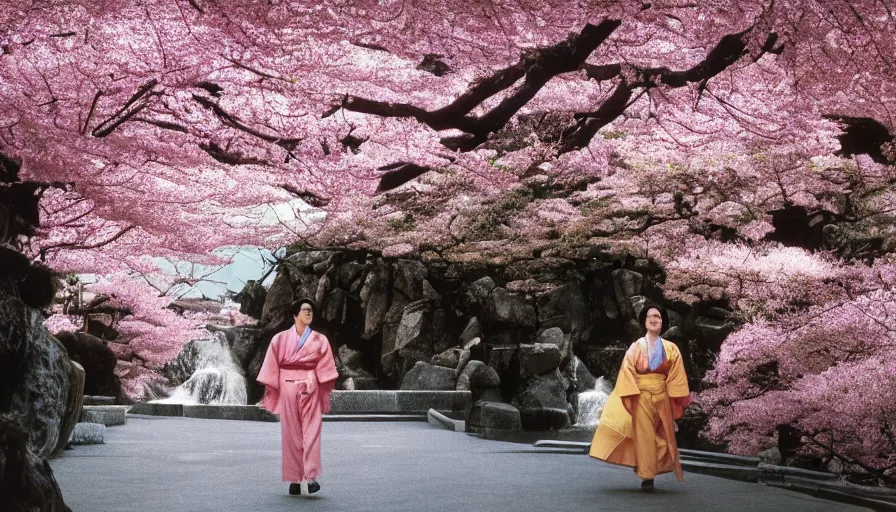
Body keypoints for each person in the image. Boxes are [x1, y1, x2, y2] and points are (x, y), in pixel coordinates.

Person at [589, 304, 690, 492]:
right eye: (650, 316)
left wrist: (673, 396)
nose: (654, 319)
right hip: (641, 395)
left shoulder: (671, 348)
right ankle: (647, 476)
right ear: (645, 321)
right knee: (644, 436)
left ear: (662, 322)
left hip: (662, 395)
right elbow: (627, 369)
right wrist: (632, 391)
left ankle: (649, 466)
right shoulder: (636, 347)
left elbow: (677, 375)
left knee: (663, 436)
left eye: (658, 317)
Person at [257, 298, 338, 496]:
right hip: (287, 386)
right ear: (295, 315)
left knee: (312, 431)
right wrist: (273, 389)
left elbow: (326, 366)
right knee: (291, 434)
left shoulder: (320, 340)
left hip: (310, 385)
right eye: (304, 310)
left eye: (311, 310)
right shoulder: (279, 339)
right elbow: (271, 366)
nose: (309, 313)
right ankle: (294, 479)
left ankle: (310, 478)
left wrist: (321, 383)